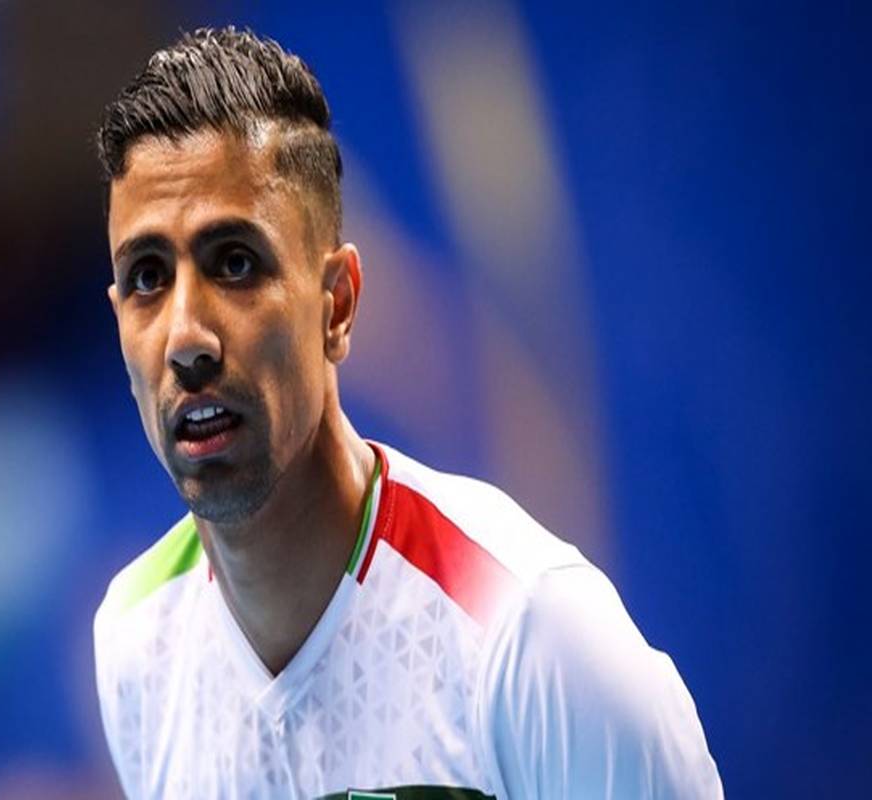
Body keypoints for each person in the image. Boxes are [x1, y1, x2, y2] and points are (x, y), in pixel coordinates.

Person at [92, 26, 722, 800]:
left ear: (337, 306)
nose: (187, 336)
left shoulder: (530, 632)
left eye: (235, 262)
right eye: (148, 277)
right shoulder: (136, 642)